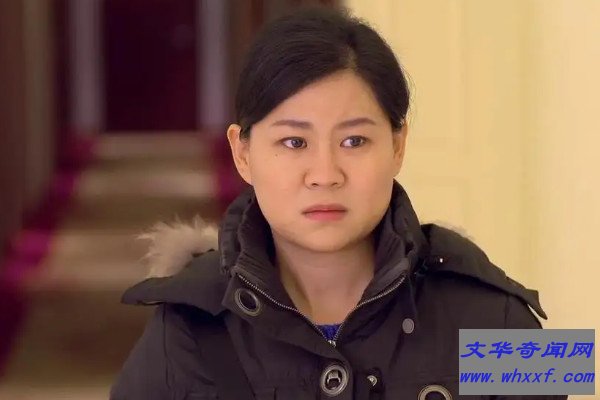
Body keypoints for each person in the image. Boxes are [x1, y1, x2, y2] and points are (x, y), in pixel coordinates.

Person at [110, 6, 565, 400]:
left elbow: (560, 373)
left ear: (398, 145)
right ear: (242, 153)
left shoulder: (494, 316)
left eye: (354, 141)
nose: (325, 174)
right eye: (294, 142)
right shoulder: (184, 330)